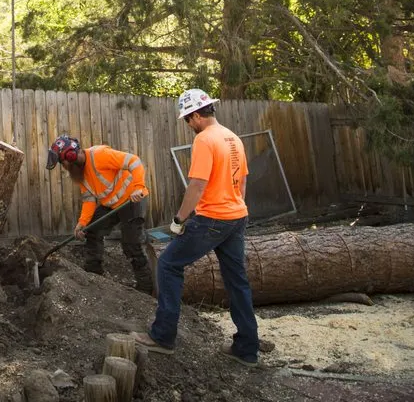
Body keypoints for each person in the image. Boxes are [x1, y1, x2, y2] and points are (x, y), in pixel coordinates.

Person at [132, 89, 260, 365]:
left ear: (196, 116)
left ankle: (163, 336)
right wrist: (234, 207)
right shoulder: (232, 137)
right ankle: (248, 349)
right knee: (237, 280)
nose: (188, 125)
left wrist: (179, 220)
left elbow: (197, 185)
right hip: (236, 216)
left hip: (212, 219)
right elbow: (243, 181)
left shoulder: (204, 140)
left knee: (167, 264)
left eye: (187, 120)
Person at [46, 134, 153, 293]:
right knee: (91, 231)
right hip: (110, 205)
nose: (63, 166)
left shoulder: (100, 155)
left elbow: (134, 161)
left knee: (131, 245)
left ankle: (146, 288)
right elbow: (89, 199)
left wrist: (138, 186)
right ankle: (93, 275)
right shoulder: (79, 172)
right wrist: (82, 223)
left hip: (132, 200)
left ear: (70, 156)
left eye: (63, 162)